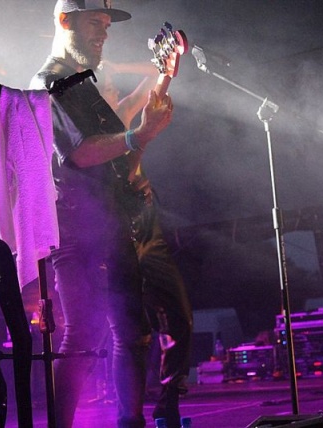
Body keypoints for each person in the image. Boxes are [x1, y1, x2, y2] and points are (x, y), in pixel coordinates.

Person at [28, 1, 174, 427]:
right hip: (76, 230)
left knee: (133, 333)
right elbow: (80, 153)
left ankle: (131, 422)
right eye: (95, 23)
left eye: (107, 26)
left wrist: (163, 80)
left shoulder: (81, 82)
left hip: (108, 224)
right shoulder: (50, 82)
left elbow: (117, 142)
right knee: (83, 336)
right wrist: (137, 136)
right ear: (64, 20)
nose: (104, 34)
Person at [96, 61, 193, 428]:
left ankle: (168, 406)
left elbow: (151, 87)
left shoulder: (122, 113)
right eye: (108, 85)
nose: (116, 90)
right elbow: (124, 173)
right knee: (132, 334)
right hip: (117, 232)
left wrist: (165, 66)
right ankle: (129, 418)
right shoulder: (90, 136)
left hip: (148, 230)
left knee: (179, 319)